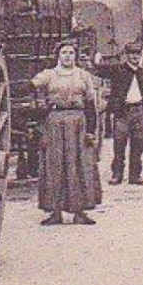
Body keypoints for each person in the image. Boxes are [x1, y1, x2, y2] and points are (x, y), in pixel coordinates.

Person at [31, 40, 101, 226]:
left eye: (71, 52)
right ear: (58, 56)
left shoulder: (83, 76)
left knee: (78, 165)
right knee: (55, 165)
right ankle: (55, 212)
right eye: (64, 52)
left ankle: (79, 212)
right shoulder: (49, 75)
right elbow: (31, 87)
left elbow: (90, 105)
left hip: (78, 122)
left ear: (76, 56)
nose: (68, 56)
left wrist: (91, 131)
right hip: (55, 121)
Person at [105, 43, 143, 186]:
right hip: (123, 111)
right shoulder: (118, 70)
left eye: (137, 54)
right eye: (132, 54)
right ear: (127, 55)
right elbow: (103, 71)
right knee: (119, 144)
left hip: (139, 110)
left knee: (138, 144)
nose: (135, 57)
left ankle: (135, 175)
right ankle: (117, 174)